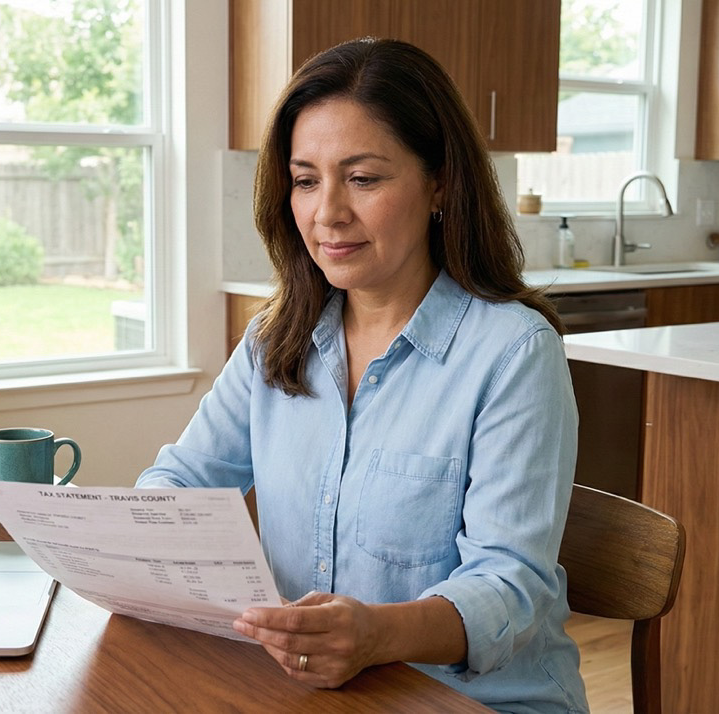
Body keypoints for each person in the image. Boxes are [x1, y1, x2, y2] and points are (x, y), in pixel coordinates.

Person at [136, 38, 586, 713]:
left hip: (474, 702)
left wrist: (376, 634)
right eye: (306, 179)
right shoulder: (274, 339)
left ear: (440, 182)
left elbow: (510, 584)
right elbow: (180, 481)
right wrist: (130, 537)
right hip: (319, 693)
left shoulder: (514, 353)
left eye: (364, 178)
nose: (327, 214)